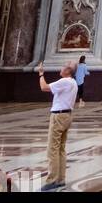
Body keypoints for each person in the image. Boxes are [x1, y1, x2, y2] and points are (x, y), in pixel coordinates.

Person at [38, 61, 78, 191]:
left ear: (68, 70)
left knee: (53, 149)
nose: (60, 68)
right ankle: (61, 179)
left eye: (63, 66)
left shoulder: (64, 81)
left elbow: (44, 87)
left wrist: (41, 74)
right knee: (61, 148)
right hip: (67, 116)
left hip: (58, 117)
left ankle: (52, 179)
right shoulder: (73, 83)